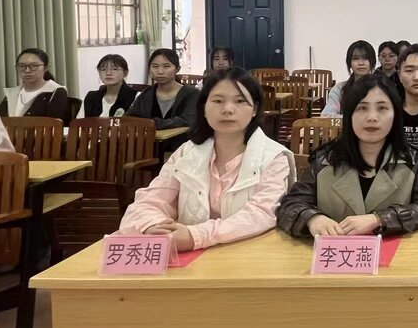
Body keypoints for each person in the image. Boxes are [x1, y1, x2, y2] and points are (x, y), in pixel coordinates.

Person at [119, 68, 295, 252]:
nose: (227, 109)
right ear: (203, 107)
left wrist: (195, 236)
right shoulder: (187, 153)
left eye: (240, 101)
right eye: (218, 101)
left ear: (255, 109)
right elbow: (150, 201)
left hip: (249, 256)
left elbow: (261, 213)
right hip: (188, 258)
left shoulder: (274, 157)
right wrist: (152, 225)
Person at [276, 74, 418, 238]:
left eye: (382, 108)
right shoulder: (324, 160)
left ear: (396, 115)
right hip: (335, 252)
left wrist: (381, 219)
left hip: (396, 253)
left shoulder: (414, 161)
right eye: (362, 108)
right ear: (349, 115)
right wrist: (312, 218)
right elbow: (291, 205)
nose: (372, 117)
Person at [126, 48, 201, 136]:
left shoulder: (191, 94)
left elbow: (187, 120)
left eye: (166, 66)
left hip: (182, 143)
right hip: (149, 143)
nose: (160, 71)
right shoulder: (147, 93)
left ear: (177, 69)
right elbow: (129, 118)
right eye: (155, 66)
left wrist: (152, 123)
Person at [0, 47, 71, 122]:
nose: (27, 70)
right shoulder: (12, 94)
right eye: (22, 66)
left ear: (46, 68)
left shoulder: (55, 92)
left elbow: (54, 123)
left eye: (34, 66)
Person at [322, 40, 376, 117]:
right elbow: (326, 115)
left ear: (372, 62)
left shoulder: (381, 88)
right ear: (349, 63)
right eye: (355, 58)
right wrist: (354, 120)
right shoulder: (339, 89)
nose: (361, 63)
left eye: (365, 58)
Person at [82, 53, 139, 118]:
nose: (108, 73)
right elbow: (79, 122)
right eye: (103, 69)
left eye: (114, 69)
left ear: (125, 72)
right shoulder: (90, 97)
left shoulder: (136, 97)